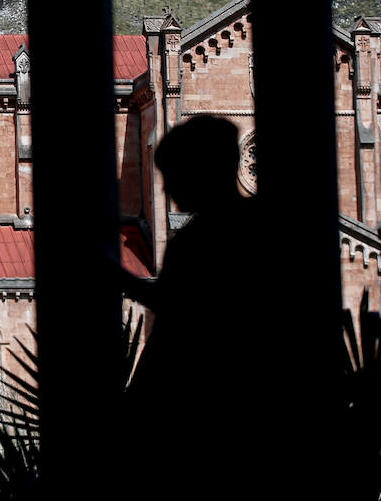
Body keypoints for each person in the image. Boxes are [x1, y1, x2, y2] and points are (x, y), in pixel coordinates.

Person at [118, 115, 271, 495]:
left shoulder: (196, 242)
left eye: (173, 174)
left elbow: (175, 322)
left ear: (201, 173)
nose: (165, 187)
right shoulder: (259, 228)